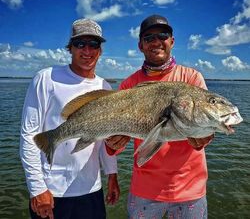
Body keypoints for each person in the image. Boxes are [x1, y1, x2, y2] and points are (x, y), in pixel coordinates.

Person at [105, 14, 214, 218]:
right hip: (144, 190)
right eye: (148, 38)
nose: (156, 42)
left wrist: (205, 136)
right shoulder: (129, 85)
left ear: (172, 41)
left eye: (162, 35)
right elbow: (116, 145)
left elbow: (204, 128)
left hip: (190, 190)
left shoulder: (192, 78)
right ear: (140, 45)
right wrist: (113, 143)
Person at [20, 18, 120, 219]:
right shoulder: (46, 78)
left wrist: (112, 175)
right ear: (70, 48)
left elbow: (103, 139)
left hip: (92, 191)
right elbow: (29, 136)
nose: (87, 50)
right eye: (80, 44)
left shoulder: (105, 88)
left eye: (93, 44)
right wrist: (38, 188)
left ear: (100, 50)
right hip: (51, 192)